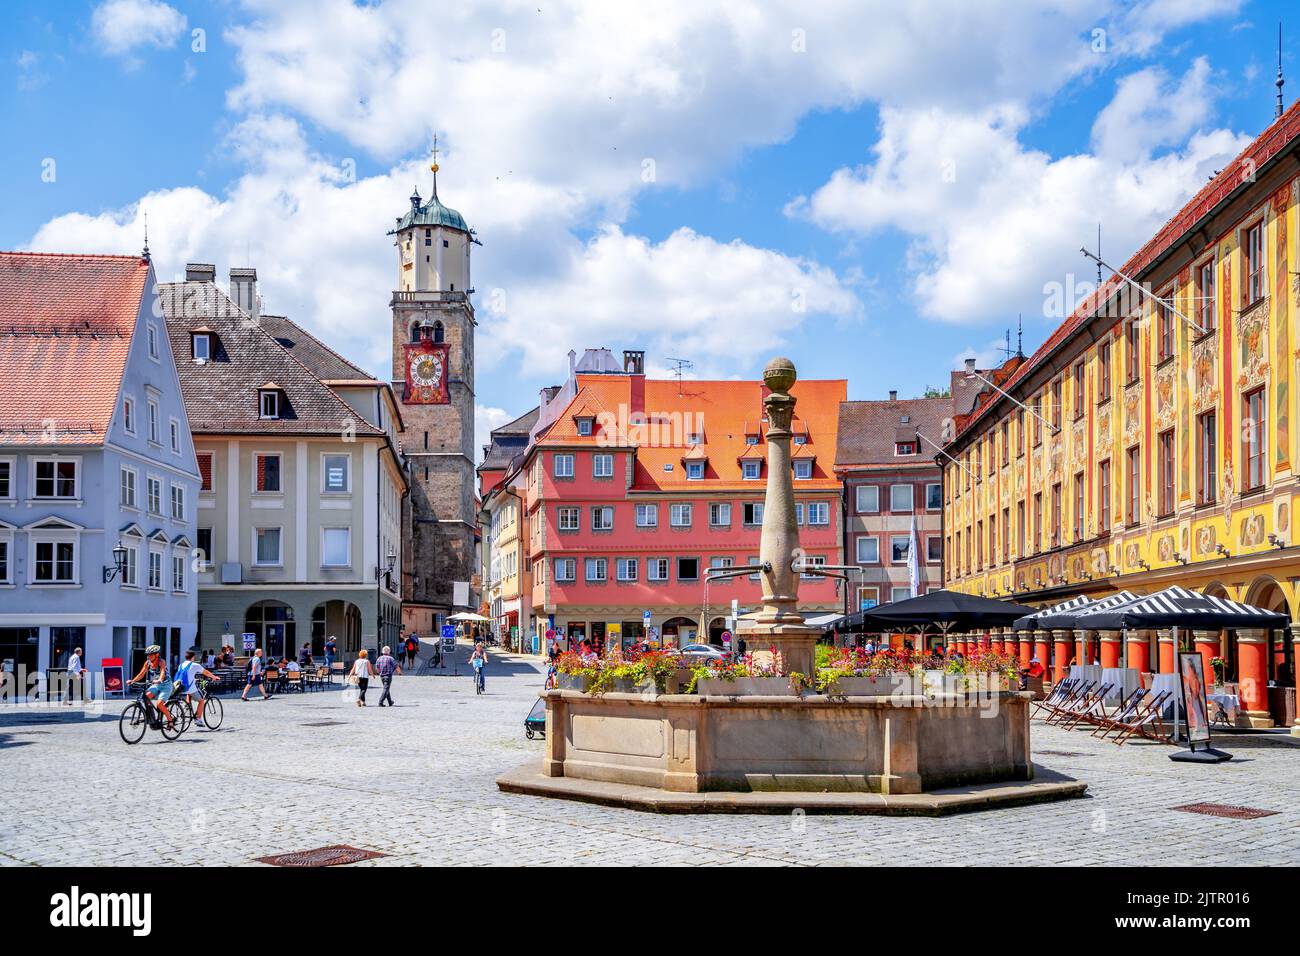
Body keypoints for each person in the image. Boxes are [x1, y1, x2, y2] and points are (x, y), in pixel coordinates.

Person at [129, 645, 176, 728]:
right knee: (146, 697)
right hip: (156, 684)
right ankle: (152, 719)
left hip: (166, 685)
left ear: (157, 655)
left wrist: (160, 680)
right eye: (148, 655)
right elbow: (141, 674)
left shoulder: (161, 662)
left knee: (159, 704)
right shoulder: (147, 663)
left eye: (151, 654)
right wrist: (132, 681)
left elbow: (162, 673)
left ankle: (170, 720)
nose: (149, 656)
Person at [176, 650, 220, 727]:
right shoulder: (194, 665)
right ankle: (198, 719)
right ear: (193, 657)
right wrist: (214, 677)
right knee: (201, 700)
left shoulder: (181, 665)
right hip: (189, 688)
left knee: (189, 693)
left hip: (180, 687)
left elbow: (186, 675)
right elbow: (205, 672)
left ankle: (187, 706)